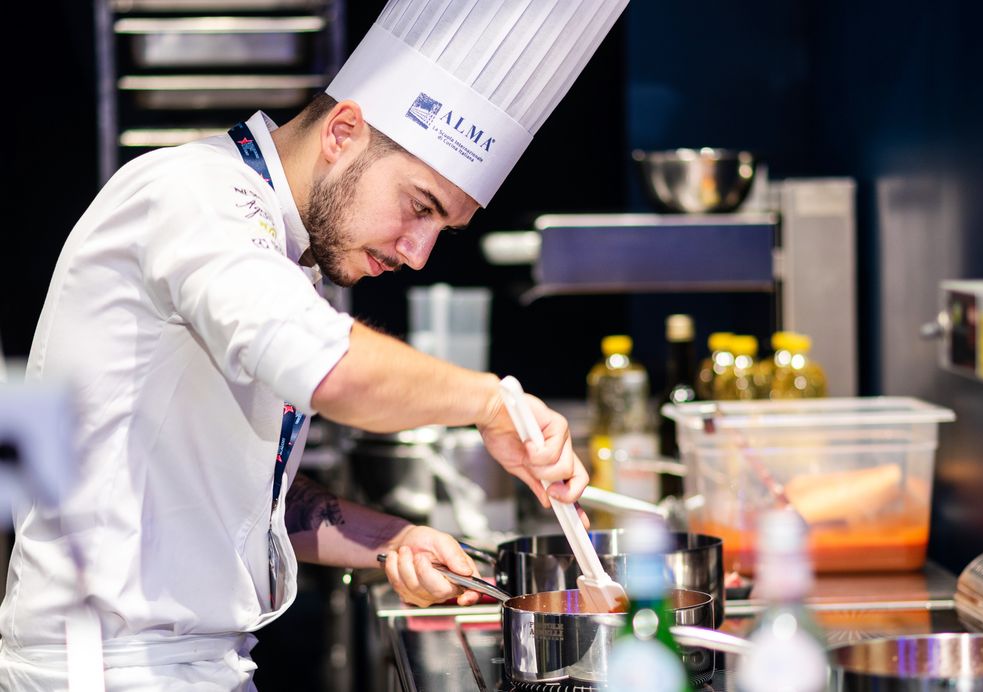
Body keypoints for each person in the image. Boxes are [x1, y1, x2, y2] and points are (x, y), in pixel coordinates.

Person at [0, 1, 629, 690]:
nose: (418, 254)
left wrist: (391, 539)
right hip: (110, 670)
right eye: (420, 206)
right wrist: (491, 401)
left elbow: (238, 500)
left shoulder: (279, 249)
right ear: (344, 132)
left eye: (441, 230)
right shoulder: (193, 196)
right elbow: (333, 371)